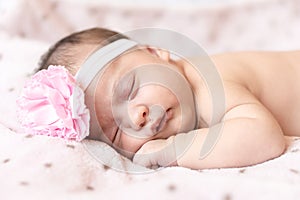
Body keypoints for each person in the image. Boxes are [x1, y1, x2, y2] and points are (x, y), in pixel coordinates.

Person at [33, 27, 300, 170]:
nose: (136, 117)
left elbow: (264, 138)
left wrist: (173, 150)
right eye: (114, 131)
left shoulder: (206, 84)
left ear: (155, 52)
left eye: (129, 89)